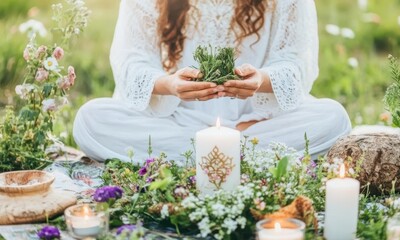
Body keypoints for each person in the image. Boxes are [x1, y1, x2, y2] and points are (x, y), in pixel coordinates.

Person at [73, 0, 351, 162]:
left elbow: (296, 59)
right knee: (89, 120)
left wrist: (260, 80)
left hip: (256, 124)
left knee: (334, 119)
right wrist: (170, 84)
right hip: (175, 119)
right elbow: (131, 60)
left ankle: (200, 156)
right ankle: (227, 156)